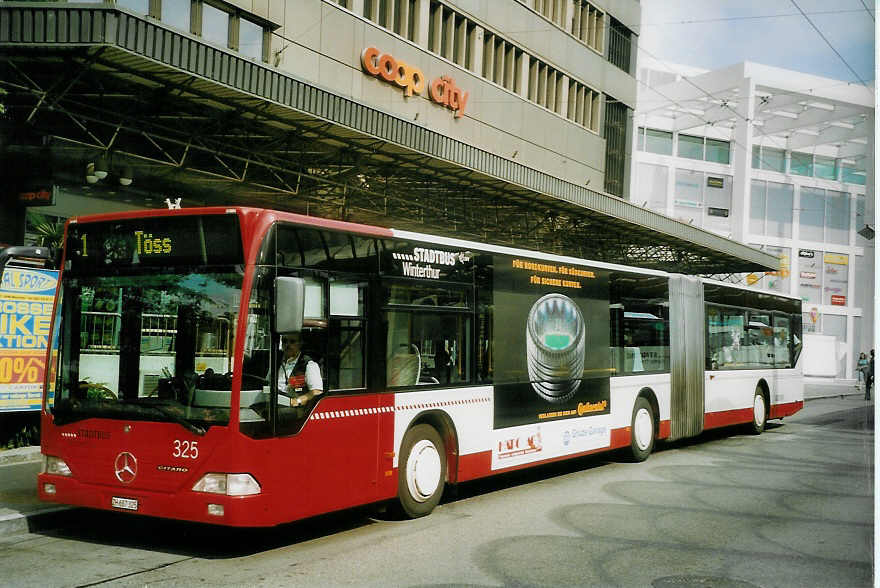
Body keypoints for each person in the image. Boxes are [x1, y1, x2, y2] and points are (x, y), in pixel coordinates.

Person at [277, 333, 323, 407]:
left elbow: (316, 392)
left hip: (297, 410)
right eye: (285, 341)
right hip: (275, 406)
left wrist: (297, 401)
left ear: (300, 343)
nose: (287, 345)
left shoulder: (309, 364)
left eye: (292, 341)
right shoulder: (276, 362)